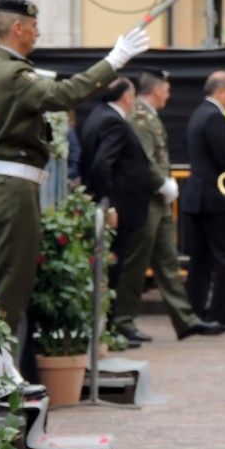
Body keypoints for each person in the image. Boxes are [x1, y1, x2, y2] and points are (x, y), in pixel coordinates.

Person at [0, 0, 149, 339]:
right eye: (33, 27)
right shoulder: (13, 74)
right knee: (10, 286)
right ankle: (0, 377)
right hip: (13, 189)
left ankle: (0, 372)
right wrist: (114, 60)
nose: (38, 33)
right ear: (17, 28)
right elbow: (63, 95)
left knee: (3, 280)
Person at [118, 70, 222, 340]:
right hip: (146, 198)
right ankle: (123, 320)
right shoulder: (140, 117)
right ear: (156, 89)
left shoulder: (148, 115)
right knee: (137, 263)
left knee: (167, 261)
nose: (169, 93)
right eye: (167, 88)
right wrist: (161, 184)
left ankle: (185, 319)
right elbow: (145, 159)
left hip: (158, 200)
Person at [79, 77, 154, 347]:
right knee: (114, 270)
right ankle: (108, 333)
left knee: (111, 269)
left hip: (115, 206)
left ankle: (107, 331)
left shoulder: (98, 116)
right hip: (119, 209)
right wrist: (109, 204)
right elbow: (101, 165)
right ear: (126, 97)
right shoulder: (113, 121)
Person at [181, 70, 225, 334]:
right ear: (220, 92)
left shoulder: (198, 114)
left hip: (198, 198)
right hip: (216, 199)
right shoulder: (214, 117)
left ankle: (196, 314)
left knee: (200, 260)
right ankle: (220, 316)